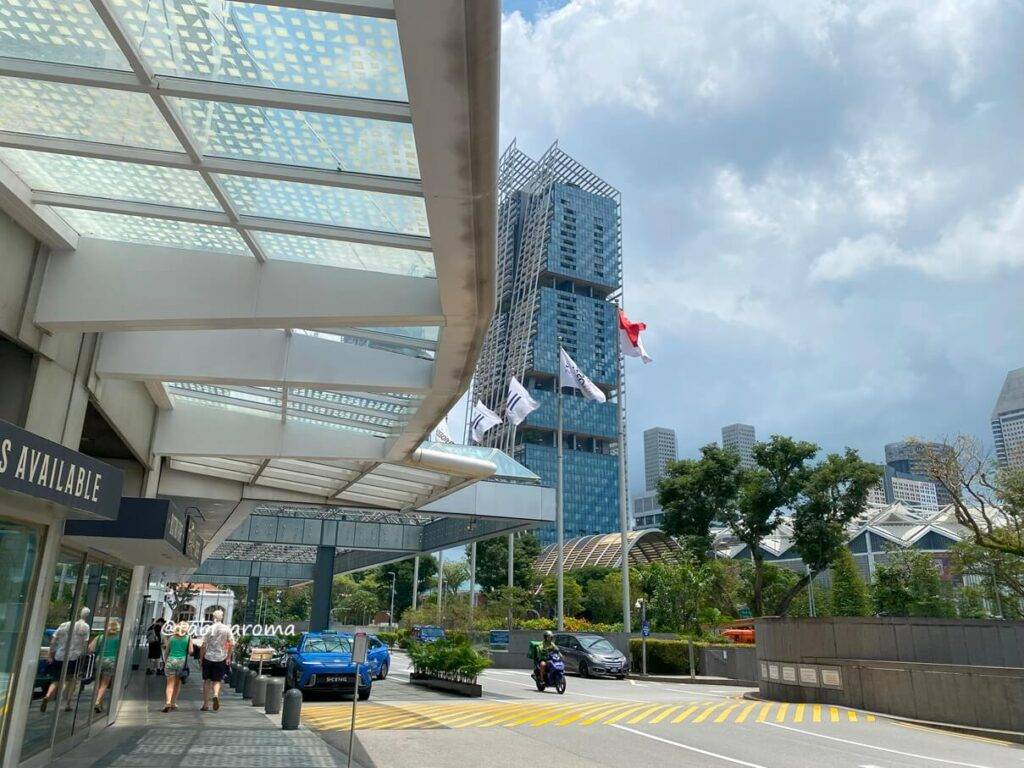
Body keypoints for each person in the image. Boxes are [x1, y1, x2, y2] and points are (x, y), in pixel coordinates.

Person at [40, 607, 91, 713]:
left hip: (60, 656)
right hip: (74, 657)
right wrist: (85, 654)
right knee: (71, 680)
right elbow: (85, 643)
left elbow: (53, 641)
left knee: (56, 679)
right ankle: (68, 703)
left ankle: (48, 695)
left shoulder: (64, 625)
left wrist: (50, 655)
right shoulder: (85, 627)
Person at [199, 609, 233, 712]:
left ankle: (205, 704)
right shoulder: (227, 629)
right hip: (221, 657)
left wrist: (201, 658)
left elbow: (203, 645)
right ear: (222, 617)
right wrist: (228, 657)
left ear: (213, 617)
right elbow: (232, 643)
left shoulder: (209, 629)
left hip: (208, 657)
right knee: (217, 680)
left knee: (207, 681)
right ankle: (215, 694)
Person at [91, 618, 121, 714]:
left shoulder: (100, 636)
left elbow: (90, 648)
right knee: (104, 684)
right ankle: (97, 701)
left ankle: (100, 704)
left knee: (98, 683)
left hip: (99, 660)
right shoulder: (118, 638)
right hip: (111, 661)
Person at [162, 621, 192, 713]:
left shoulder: (172, 638)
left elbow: (167, 651)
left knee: (169, 684)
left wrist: (165, 661)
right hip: (181, 662)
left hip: (170, 661)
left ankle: (167, 702)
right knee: (177, 684)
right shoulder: (188, 638)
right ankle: (173, 702)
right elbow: (191, 651)